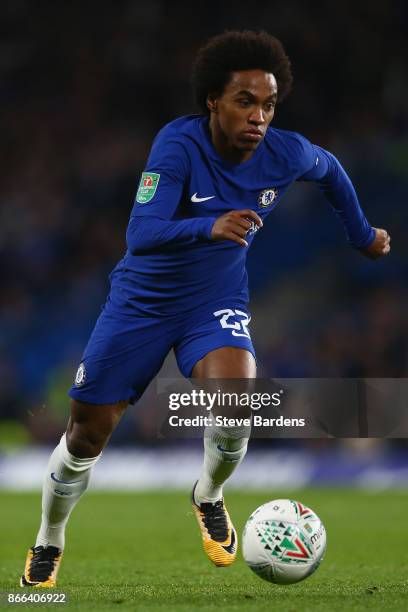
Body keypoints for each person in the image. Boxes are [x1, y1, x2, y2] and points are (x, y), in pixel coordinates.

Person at [20, 30, 390, 587]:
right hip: (140, 305)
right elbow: (140, 233)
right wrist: (208, 226)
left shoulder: (285, 152)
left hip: (213, 302)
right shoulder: (177, 144)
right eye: (245, 101)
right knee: (85, 436)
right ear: (212, 101)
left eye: (268, 104)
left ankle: (208, 495)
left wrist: (362, 236)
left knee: (235, 405)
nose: (259, 116)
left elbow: (331, 170)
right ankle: (50, 538)